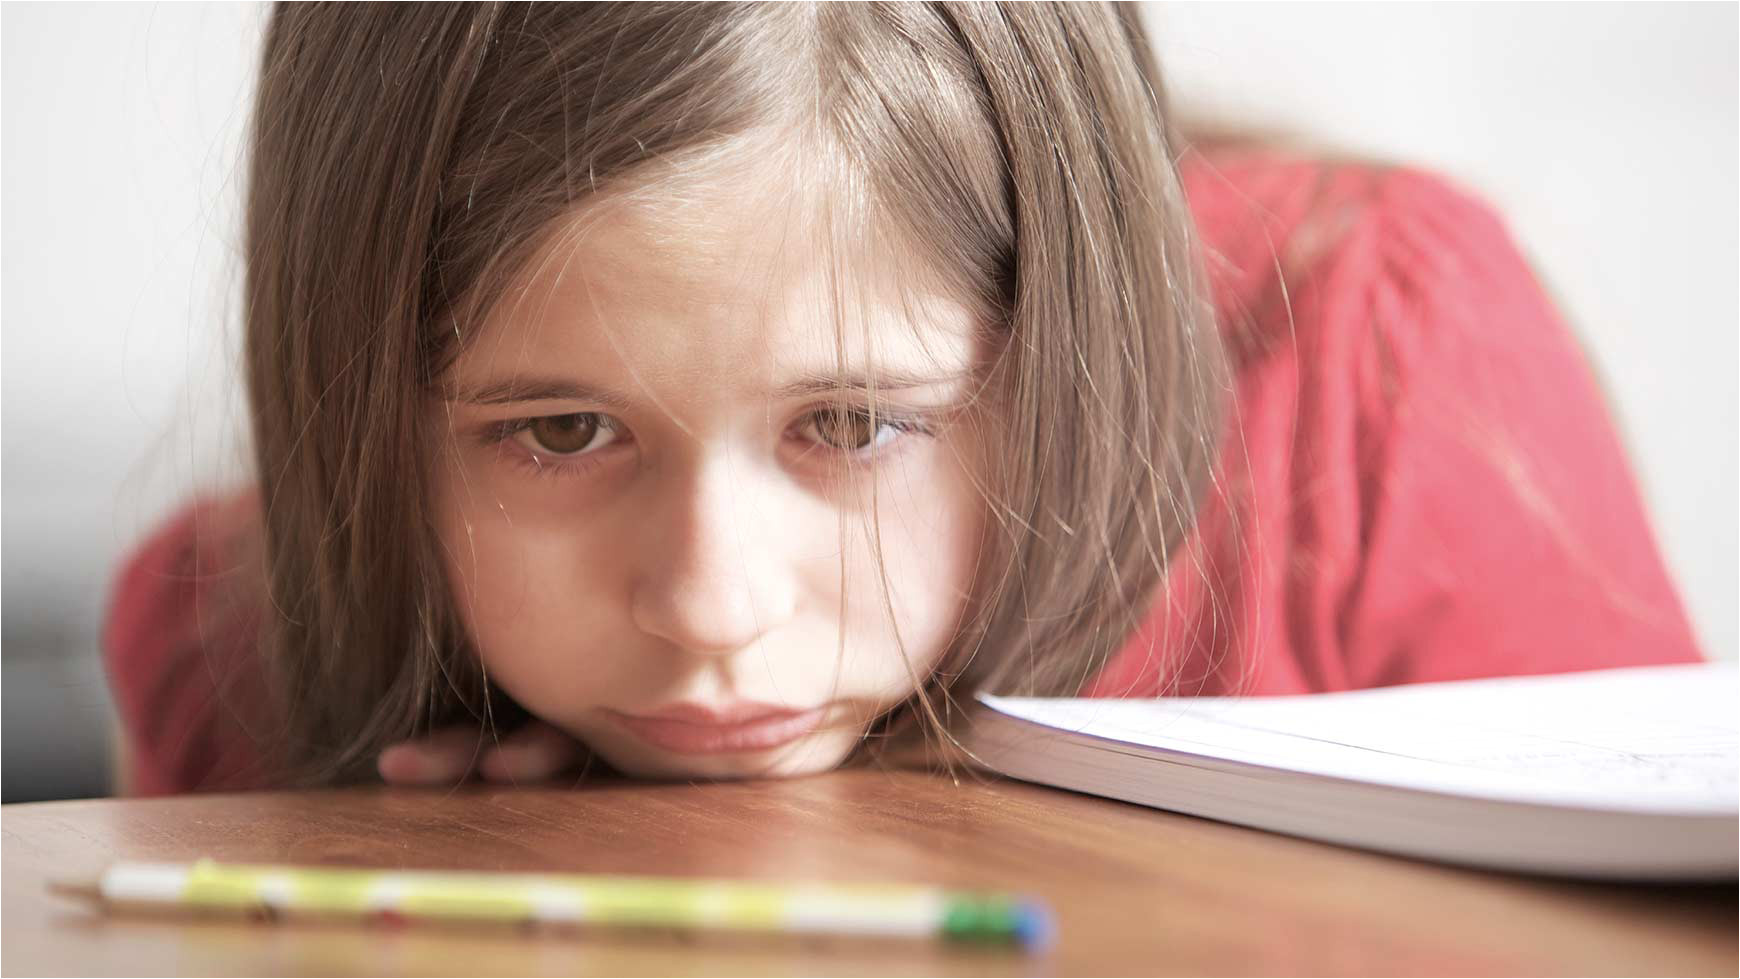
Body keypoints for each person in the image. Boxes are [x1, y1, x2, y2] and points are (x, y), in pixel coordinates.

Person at [103, 3, 1702, 796]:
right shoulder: (220, 650)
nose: (714, 610)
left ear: (1061, 335)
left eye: (856, 423)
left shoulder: (1377, 354)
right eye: (560, 431)